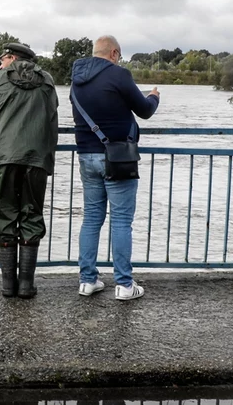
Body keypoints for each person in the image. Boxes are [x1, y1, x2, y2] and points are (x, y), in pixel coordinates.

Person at [69, 35, 159, 301]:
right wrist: (153, 97)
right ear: (114, 53)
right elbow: (144, 110)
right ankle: (124, 285)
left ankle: (87, 281)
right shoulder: (119, 75)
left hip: (87, 156)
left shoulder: (76, 79)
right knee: (121, 221)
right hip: (118, 157)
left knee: (92, 218)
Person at [0, 41, 59, 299]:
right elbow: (52, 115)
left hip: (4, 156)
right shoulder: (47, 80)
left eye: (2, 59)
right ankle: (26, 284)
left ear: (11, 57)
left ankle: (8, 285)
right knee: (32, 213)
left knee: (3, 213)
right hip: (37, 157)